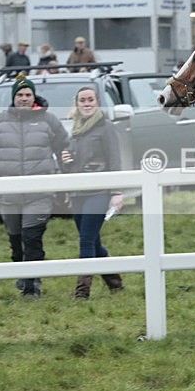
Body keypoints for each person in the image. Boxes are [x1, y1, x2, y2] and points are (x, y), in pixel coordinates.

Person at [0, 75, 69, 299]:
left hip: (39, 194)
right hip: (8, 195)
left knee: (32, 237)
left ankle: (33, 286)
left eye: (28, 95)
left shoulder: (49, 121)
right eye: (20, 95)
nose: (23, 98)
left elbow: (65, 150)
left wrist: (70, 181)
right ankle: (23, 276)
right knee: (16, 240)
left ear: (34, 97)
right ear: (14, 98)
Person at [62, 86, 125, 299]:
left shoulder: (106, 127)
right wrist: (66, 161)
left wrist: (117, 192)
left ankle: (82, 293)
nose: (87, 103)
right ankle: (115, 283)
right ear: (77, 104)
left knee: (86, 241)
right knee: (94, 241)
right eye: (83, 100)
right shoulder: (76, 130)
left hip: (99, 192)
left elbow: (115, 160)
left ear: (97, 102)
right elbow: (73, 164)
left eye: (90, 100)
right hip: (78, 193)